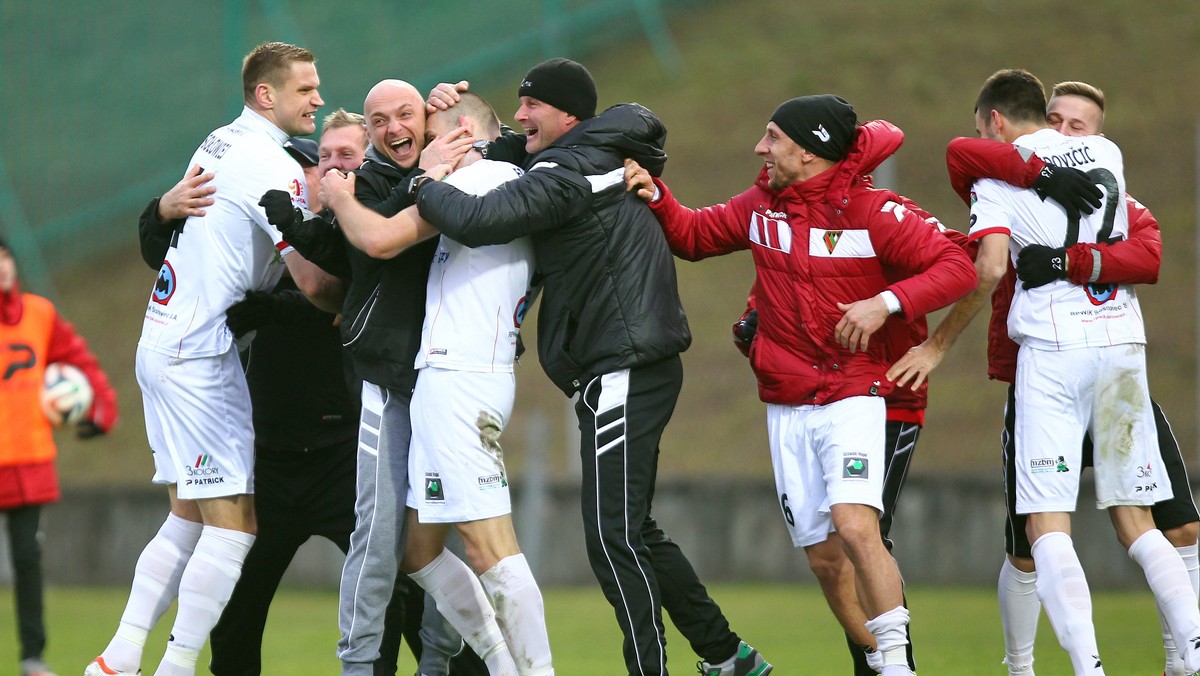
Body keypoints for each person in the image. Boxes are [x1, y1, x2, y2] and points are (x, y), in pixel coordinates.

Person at [414, 57, 771, 676]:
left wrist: (425, 181)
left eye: (533, 106)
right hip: (626, 363)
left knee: (614, 539)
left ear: (568, 115)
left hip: (622, 365)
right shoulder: (584, 157)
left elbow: (479, 219)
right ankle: (725, 655)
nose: (521, 115)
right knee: (633, 530)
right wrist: (459, 123)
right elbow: (514, 153)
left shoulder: (570, 170)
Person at [624, 94, 976, 675]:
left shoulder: (875, 209)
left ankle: (899, 668)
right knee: (824, 560)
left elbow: (958, 266)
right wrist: (657, 195)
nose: (760, 148)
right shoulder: (762, 205)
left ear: (809, 151)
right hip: (786, 403)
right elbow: (694, 236)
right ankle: (878, 660)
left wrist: (885, 304)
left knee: (858, 527)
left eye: (773, 138)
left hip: (856, 393)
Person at [887, 68, 1200, 675]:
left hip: (1054, 354)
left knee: (1045, 527)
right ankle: (1192, 648)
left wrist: (940, 344)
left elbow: (990, 266)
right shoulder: (1108, 155)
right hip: (1120, 348)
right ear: (1046, 112)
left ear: (995, 123)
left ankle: (1086, 668)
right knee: (1139, 524)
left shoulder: (993, 176)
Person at [85, 41, 342, 676]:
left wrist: (160, 210)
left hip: (163, 341)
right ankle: (173, 668)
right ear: (266, 95)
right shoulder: (271, 166)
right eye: (306, 88)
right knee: (233, 528)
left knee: (186, 516)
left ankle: (117, 659)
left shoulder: (220, 140)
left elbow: (192, 226)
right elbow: (311, 283)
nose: (318, 98)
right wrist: (349, 293)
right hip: (199, 354)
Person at [257, 79, 489, 676]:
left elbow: (503, 148)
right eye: (379, 120)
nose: (393, 128)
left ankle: (441, 665)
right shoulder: (374, 186)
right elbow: (376, 235)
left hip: (455, 386)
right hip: (389, 386)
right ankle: (360, 666)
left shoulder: (463, 168)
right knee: (379, 539)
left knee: (457, 539)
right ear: (370, 134)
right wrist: (419, 178)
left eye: (406, 115)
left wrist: (459, 118)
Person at [319, 91, 552, 675]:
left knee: (492, 550)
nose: (411, 141)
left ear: (460, 136)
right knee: (421, 553)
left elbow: (378, 240)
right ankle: (499, 662)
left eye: (426, 132)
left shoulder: (476, 185)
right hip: (448, 379)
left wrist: (341, 197)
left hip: (461, 382)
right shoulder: (507, 179)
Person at [0, 236, 118, 676]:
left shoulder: (39, 314)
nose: (3, 268)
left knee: (28, 565)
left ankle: (33, 658)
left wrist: (102, 410)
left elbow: (80, 363)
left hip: (29, 461)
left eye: (6, 258)